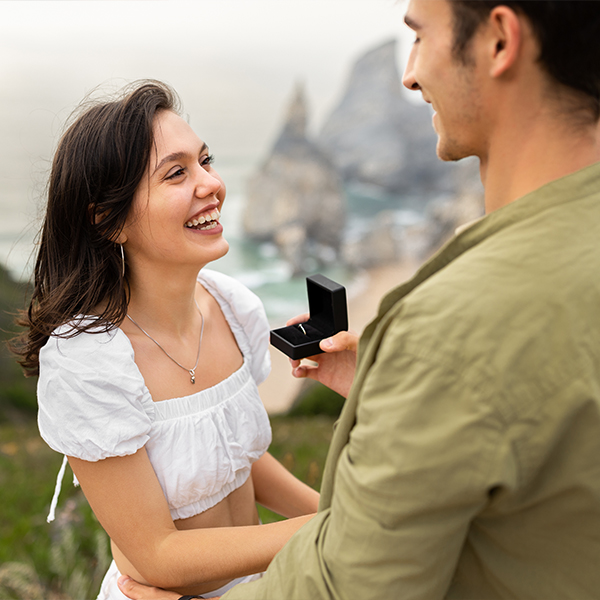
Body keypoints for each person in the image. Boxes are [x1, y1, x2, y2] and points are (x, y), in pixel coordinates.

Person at [118, 0, 600, 598]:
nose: (410, 74)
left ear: (499, 40)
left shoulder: (451, 330)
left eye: (420, 37)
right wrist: (390, 384)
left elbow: (348, 585)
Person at [13, 80, 320, 600]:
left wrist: (338, 513)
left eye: (206, 160)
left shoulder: (231, 306)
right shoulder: (87, 361)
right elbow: (157, 554)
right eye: (177, 172)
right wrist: (325, 532)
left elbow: (236, 460)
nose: (212, 184)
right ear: (108, 220)